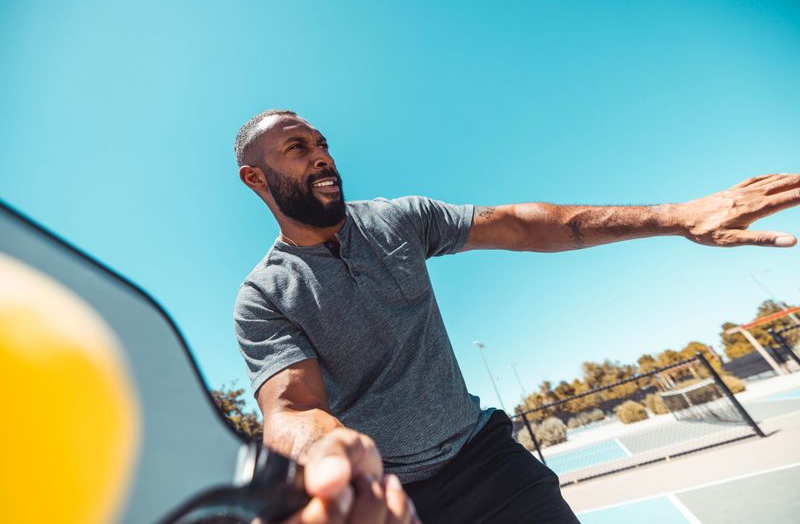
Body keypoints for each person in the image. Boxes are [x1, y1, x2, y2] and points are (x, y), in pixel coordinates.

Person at [232, 109, 798, 523]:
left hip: (487, 462)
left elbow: (524, 224)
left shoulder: (398, 220)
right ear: (256, 178)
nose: (322, 155)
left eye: (322, 143)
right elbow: (292, 407)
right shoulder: (264, 295)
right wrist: (330, 451)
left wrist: (676, 216)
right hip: (392, 496)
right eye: (297, 148)